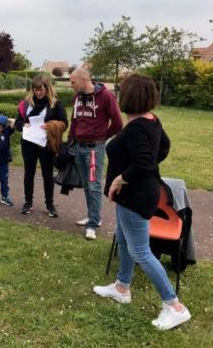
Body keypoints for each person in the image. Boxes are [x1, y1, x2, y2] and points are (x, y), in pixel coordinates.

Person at [93, 74, 191, 330]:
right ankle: (122, 287)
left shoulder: (137, 127)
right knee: (123, 240)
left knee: (140, 251)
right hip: (134, 194)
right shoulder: (151, 120)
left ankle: (174, 306)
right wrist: (139, 173)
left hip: (136, 196)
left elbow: (145, 162)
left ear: (129, 96)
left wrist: (120, 180)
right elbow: (163, 148)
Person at [69, 68, 123, 240]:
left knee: (93, 185)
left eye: (73, 82)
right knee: (86, 184)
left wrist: (102, 136)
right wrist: (71, 141)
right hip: (79, 147)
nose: (71, 85)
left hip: (94, 149)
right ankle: (93, 217)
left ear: (84, 79)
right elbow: (74, 121)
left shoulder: (106, 96)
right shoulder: (77, 97)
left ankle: (93, 224)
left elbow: (118, 122)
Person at [15, 75, 68, 216]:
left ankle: (50, 205)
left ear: (47, 88)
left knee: (48, 175)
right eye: (36, 90)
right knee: (29, 173)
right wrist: (23, 124)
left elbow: (64, 123)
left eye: (41, 89)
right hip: (28, 143)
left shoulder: (55, 104)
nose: (38, 92)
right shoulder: (26, 104)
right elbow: (17, 123)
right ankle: (28, 202)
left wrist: (50, 125)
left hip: (46, 145)